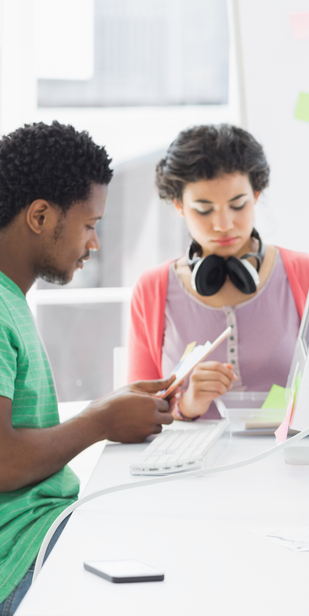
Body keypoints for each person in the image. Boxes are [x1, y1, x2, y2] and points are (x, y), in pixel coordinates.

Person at [0, 122, 175, 614]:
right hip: (19, 558)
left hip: (40, 531)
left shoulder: (10, 300)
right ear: (39, 215)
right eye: (90, 224)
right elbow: (3, 462)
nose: (94, 243)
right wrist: (100, 423)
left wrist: (106, 408)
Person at [128, 125, 309, 420]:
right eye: (204, 210)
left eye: (238, 205)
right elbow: (138, 413)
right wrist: (187, 404)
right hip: (193, 464)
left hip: (289, 460)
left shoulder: (308, 274)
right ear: (179, 206)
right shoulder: (152, 288)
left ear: (256, 195)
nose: (223, 224)